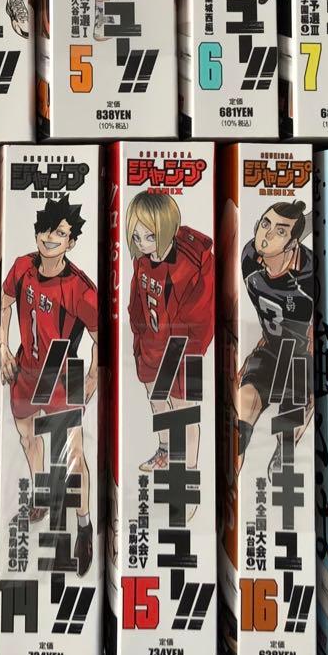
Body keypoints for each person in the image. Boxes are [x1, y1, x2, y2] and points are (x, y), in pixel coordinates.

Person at [0, 195, 98, 575]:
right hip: (25, 367)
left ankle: (84, 527)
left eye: (60, 233)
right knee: (27, 436)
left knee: (73, 455)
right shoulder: (22, 266)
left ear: (71, 242)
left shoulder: (80, 288)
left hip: (62, 373)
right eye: (45, 229)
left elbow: (99, 336)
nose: (50, 237)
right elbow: (4, 303)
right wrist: (2, 347)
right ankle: (41, 493)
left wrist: (92, 377)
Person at [126, 192, 213, 488]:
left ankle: (187, 478)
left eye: (149, 236)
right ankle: (164, 451)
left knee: (184, 412)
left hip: (184, 348)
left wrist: (183, 353)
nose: (141, 243)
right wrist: (139, 339)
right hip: (152, 343)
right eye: (135, 236)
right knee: (157, 402)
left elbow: (202, 317)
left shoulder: (194, 262)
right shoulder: (142, 260)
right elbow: (136, 302)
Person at [234, 201, 314, 478]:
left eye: (280, 231)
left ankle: (286, 449)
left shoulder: (310, 277)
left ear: (292, 243)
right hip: (270, 349)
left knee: (286, 431)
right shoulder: (249, 257)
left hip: (303, 358)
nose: (267, 234)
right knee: (240, 418)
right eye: (265, 224)